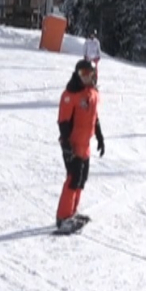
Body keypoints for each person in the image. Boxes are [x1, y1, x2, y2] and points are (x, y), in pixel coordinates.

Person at [55, 59, 104, 234]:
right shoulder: (71, 94)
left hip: (85, 144)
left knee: (81, 179)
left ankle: (72, 212)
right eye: (83, 74)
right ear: (77, 75)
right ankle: (63, 217)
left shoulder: (92, 93)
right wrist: (66, 145)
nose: (86, 78)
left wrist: (99, 136)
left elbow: (94, 116)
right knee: (73, 178)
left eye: (90, 74)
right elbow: (63, 121)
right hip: (73, 143)